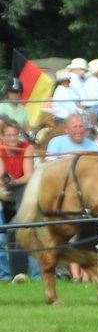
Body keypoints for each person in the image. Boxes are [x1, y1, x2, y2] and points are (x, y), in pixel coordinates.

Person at [1, 118, 36, 282]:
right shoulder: (1, 148)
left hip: (21, 186)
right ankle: (7, 275)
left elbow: (29, 175)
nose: (12, 139)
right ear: (3, 137)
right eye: (8, 136)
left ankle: (30, 274)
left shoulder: (26, 148)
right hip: (4, 188)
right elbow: (1, 173)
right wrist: (5, 182)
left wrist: (13, 182)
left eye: (15, 135)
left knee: (22, 228)